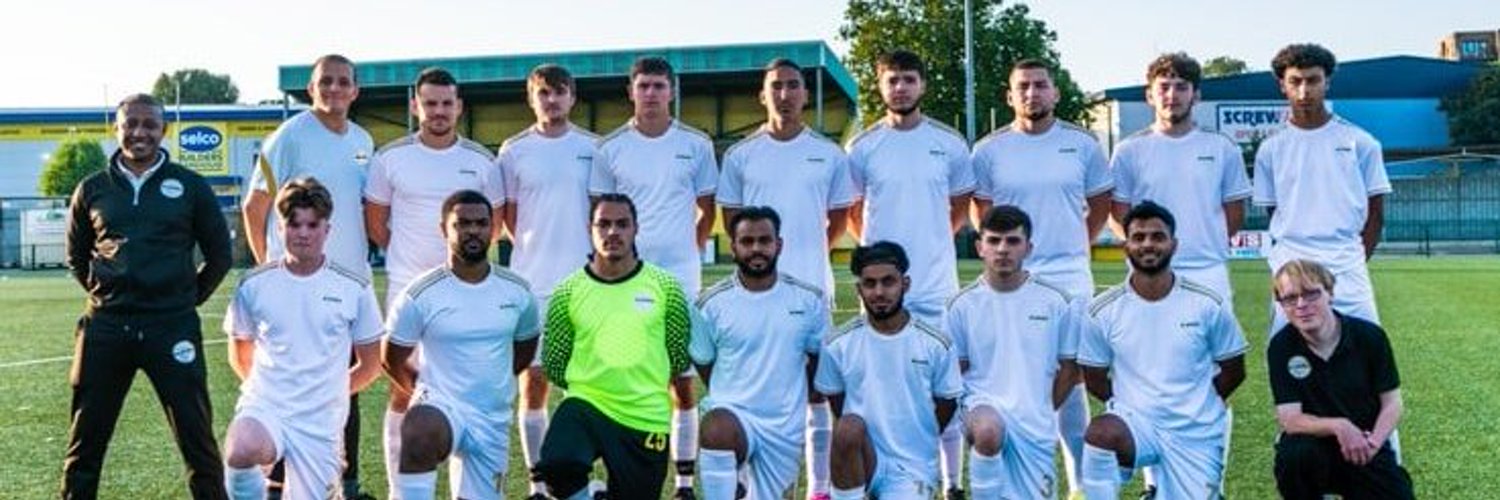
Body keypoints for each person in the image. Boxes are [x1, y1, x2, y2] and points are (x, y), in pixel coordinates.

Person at [62, 93, 233, 499]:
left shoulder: (190, 186)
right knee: (85, 440)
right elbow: (76, 255)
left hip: (171, 327)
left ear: (163, 130)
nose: (139, 132)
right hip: (106, 328)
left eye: (149, 125)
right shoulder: (93, 188)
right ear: (116, 128)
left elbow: (220, 255)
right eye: (130, 124)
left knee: (197, 439)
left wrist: (183, 300)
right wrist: (108, 294)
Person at [970, 58, 1112, 497]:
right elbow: (983, 215)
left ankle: (1081, 486)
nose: (1032, 94)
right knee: (1013, 378)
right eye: (1023, 87)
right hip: (1012, 277)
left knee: (1070, 384)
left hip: (1070, 275)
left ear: (1055, 92)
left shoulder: (1083, 144)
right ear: (1010, 96)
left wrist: (1070, 246)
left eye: (1040, 85)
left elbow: (1101, 205)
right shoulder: (989, 150)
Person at [716, 57, 854, 500]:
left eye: (793, 85)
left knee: (818, 390)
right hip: (755, 294)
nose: (785, 94)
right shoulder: (740, 155)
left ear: (805, 94)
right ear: (763, 94)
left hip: (812, 287)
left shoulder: (829, 153)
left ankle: (818, 488)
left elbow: (836, 219)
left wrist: (808, 253)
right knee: (751, 385)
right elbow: (732, 219)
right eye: (776, 86)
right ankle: (745, 477)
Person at [363, 66, 505, 496]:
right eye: (430, 103)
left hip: (468, 292)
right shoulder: (389, 158)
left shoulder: (482, 160)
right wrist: (415, 264)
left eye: (446, 103)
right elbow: (376, 224)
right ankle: (400, 489)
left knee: (472, 390)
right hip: (410, 289)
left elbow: (492, 225)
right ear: (415, 106)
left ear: (459, 107)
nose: (438, 111)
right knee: (404, 393)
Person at [241, 53, 376, 499]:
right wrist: (269, 269)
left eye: (343, 82)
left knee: (346, 381)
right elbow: (255, 205)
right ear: (312, 89)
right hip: (296, 282)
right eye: (325, 82)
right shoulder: (290, 135)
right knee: (294, 380)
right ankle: (279, 480)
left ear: (355, 91)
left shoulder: (363, 140)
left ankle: (347, 481)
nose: (334, 89)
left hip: (347, 280)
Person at [843, 50, 973, 498]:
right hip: (881, 285)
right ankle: (882, 469)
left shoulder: (950, 142)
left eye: (909, 79)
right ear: (880, 86)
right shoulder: (862, 147)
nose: (901, 87)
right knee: (881, 384)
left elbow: (958, 209)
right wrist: (882, 259)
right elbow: (855, 213)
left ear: (923, 85)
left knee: (942, 385)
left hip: (936, 284)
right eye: (892, 80)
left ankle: (951, 482)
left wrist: (931, 242)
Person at [590, 56, 716, 498]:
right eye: (643, 86)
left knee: (681, 381)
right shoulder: (610, 148)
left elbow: (708, 209)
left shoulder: (696, 144)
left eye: (659, 86)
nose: (651, 94)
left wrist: (689, 248)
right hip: (623, 279)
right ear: (631, 92)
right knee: (620, 379)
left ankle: (683, 483)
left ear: (671, 92)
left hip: (678, 277)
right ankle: (620, 478)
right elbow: (601, 217)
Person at [221, 178, 384, 500]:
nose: (303, 233)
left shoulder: (353, 287)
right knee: (241, 450)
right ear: (280, 229)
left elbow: (371, 364)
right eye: (293, 224)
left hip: (321, 418)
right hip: (267, 405)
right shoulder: (254, 284)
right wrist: (276, 391)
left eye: (312, 224)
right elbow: (240, 355)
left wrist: (329, 391)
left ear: (327, 229)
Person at [1078, 201, 1247, 499]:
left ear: (1174, 244)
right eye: (1139, 237)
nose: (1148, 245)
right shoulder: (1102, 310)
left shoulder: (1208, 303)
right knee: (1101, 434)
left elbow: (1234, 370)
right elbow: (1093, 377)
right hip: (1136, 424)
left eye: (1158, 237)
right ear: (1125, 245)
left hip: (1194, 431)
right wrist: (1131, 401)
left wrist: (1196, 403)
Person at [383, 190, 540, 500]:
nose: (472, 230)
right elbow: (392, 358)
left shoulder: (518, 292)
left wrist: (491, 381)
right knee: (419, 427)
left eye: (481, 223)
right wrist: (422, 390)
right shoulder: (420, 294)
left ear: (493, 230)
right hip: (443, 406)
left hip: (492, 417)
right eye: (462, 223)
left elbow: (523, 350)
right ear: (445, 229)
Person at [534, 194, 692, 500]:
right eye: (603, 224)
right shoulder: (568, 290)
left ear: (636, 229)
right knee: (557, 463)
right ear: (590, 230)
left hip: (644, 414)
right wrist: (594, 380)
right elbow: (554, 361)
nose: (612, 232)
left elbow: (678, 354)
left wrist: (638, 379)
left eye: (622, 224)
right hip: (587, 403)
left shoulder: (666, 287)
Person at [497, 63, 599, 500]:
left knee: (590, 386)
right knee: (533, 385)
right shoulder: (513, 150)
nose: (552, 100)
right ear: (530, 97)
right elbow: (509, 219)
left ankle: (580, 482)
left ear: (572, 97)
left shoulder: (594, 148)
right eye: (543, 92)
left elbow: (600, 213)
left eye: (560, 92)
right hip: (532, 285)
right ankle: (539, 484)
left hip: (587, 286)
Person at [692, 206, 832, 500]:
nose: (756, 249)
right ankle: (732, 475)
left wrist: (792, 396)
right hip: (734, 413)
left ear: (778, 245)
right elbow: (706, 364)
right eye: (747, 241)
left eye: (764, 241)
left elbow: (817, 363)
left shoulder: (809, 300)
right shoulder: (711, 304)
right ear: (733, 247)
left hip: (783, 426)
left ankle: (741, 483)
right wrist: (731, 392)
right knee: (717, 427)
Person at [946, 205, 1082, 499]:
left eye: (1012, 241)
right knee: (989, 430)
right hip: (981, 408)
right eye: (994, 241)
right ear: (980, 247)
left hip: (1035, 422)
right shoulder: (962, 305)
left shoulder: (1056, 302)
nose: (1002, 249)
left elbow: (1070, 370)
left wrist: (1042, 407)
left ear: (1028, 248)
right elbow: (955, 372)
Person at [1254, 43, 1391, 332]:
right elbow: (1274, 212)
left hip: (1347, 267)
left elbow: (1376, 214)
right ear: (1283, 85)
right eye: (1295, 82)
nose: (1304, 91)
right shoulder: (1270, 150)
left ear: (1326, 82)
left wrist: (1352, 257)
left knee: (1367, 350)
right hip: (1291, 265)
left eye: (1313, 80)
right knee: (1286, 356)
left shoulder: (1361, 142)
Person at [814, 241, 963, 500]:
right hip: (863, 457)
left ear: (905, 284)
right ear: (859, 289)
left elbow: (947, 403)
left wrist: (919, 434)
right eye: (870, 284)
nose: (879, 292)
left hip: (912, 467)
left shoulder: (936, 344)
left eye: (888, 282)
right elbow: (837, 403)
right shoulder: (837, 344)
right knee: (848, 427)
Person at [1266, 259, 1413, 499]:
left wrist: (1373, 444)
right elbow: (1290, 419)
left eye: (1311, 294)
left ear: (1330, 293)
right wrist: (1339, 426)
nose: (1301, 305)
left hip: (1364, 446)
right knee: (1294, 457)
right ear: (1282, 305)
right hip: (1314, 447)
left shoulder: (1369, 337)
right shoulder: (1282, 346)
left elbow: (1392, 403)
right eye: (1290, 298)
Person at [1109, 52, 1250, 301]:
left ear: (1196, 95)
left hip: (1208, 272)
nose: (1172, 96)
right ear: (1150, 95)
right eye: (1164, 87)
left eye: (1181, 87)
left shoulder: (1222, 147)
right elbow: (1118, 214)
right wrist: (1144, 250)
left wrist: (1207, 244)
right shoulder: (1128, 150)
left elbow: (1235, 213)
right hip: (1149, 272)